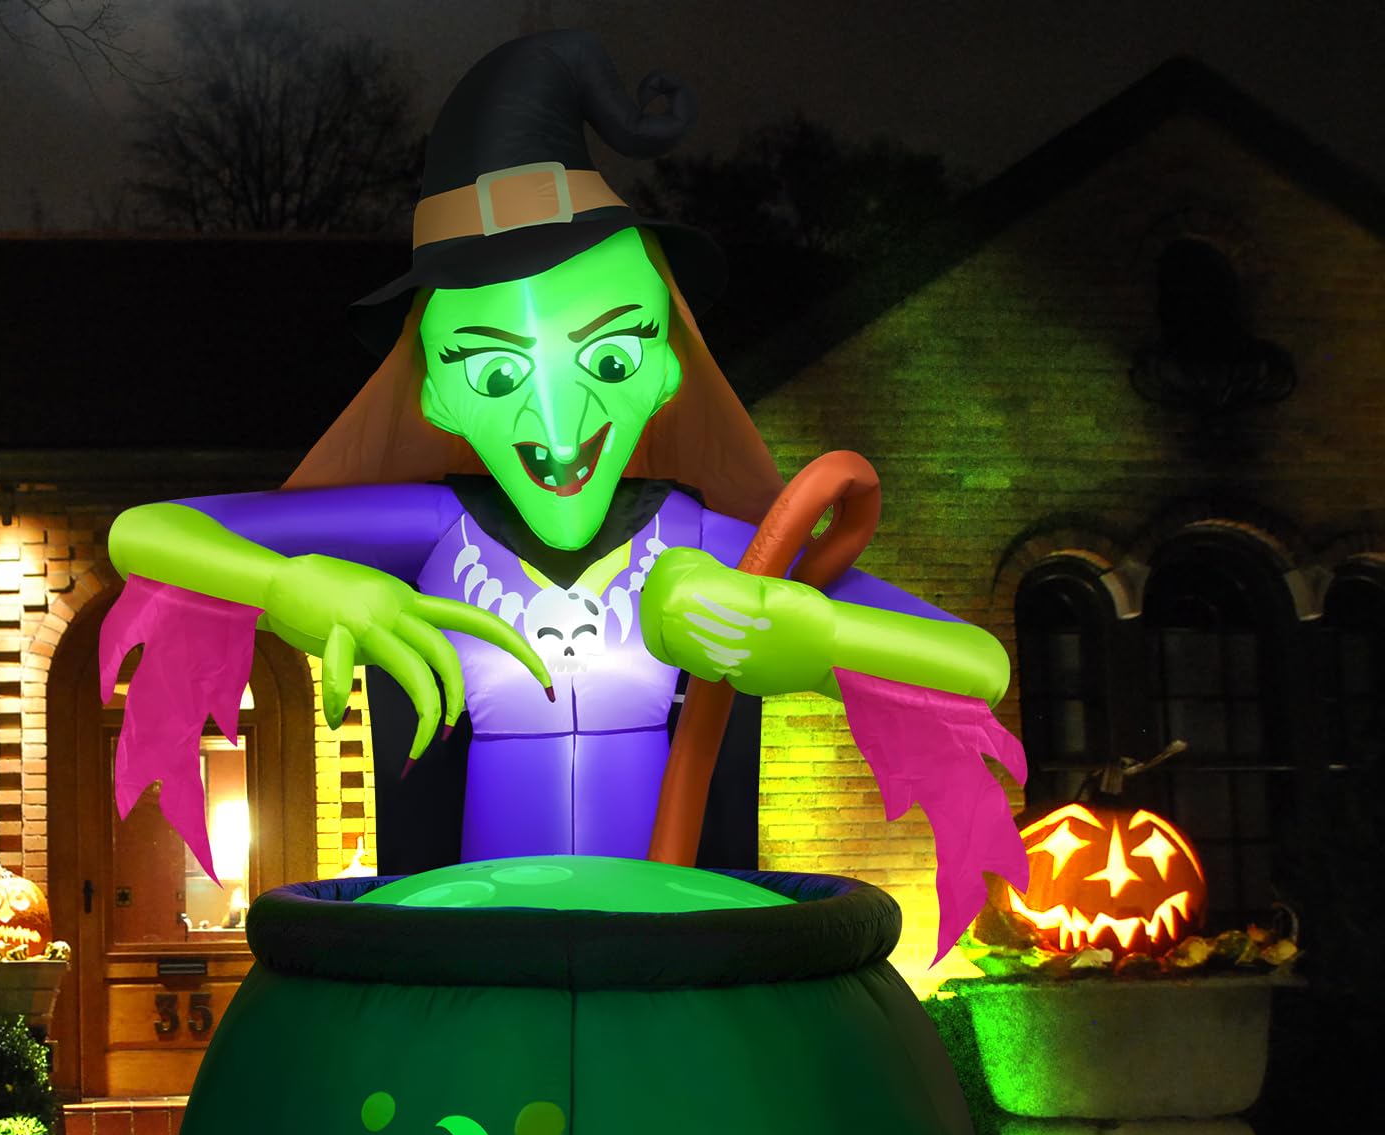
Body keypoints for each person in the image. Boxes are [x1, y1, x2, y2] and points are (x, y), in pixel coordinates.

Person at [100, 30, 1025, 960]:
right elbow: (150, 532)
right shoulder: (436, 532)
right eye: (498, 373)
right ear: (437, 394)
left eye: (610, 359)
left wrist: (815, 641)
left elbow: (977, 664)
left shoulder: (708, 547)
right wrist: (295, 585)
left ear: (665, 370)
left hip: (670, 953)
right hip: (483, 952)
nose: (558, 418)